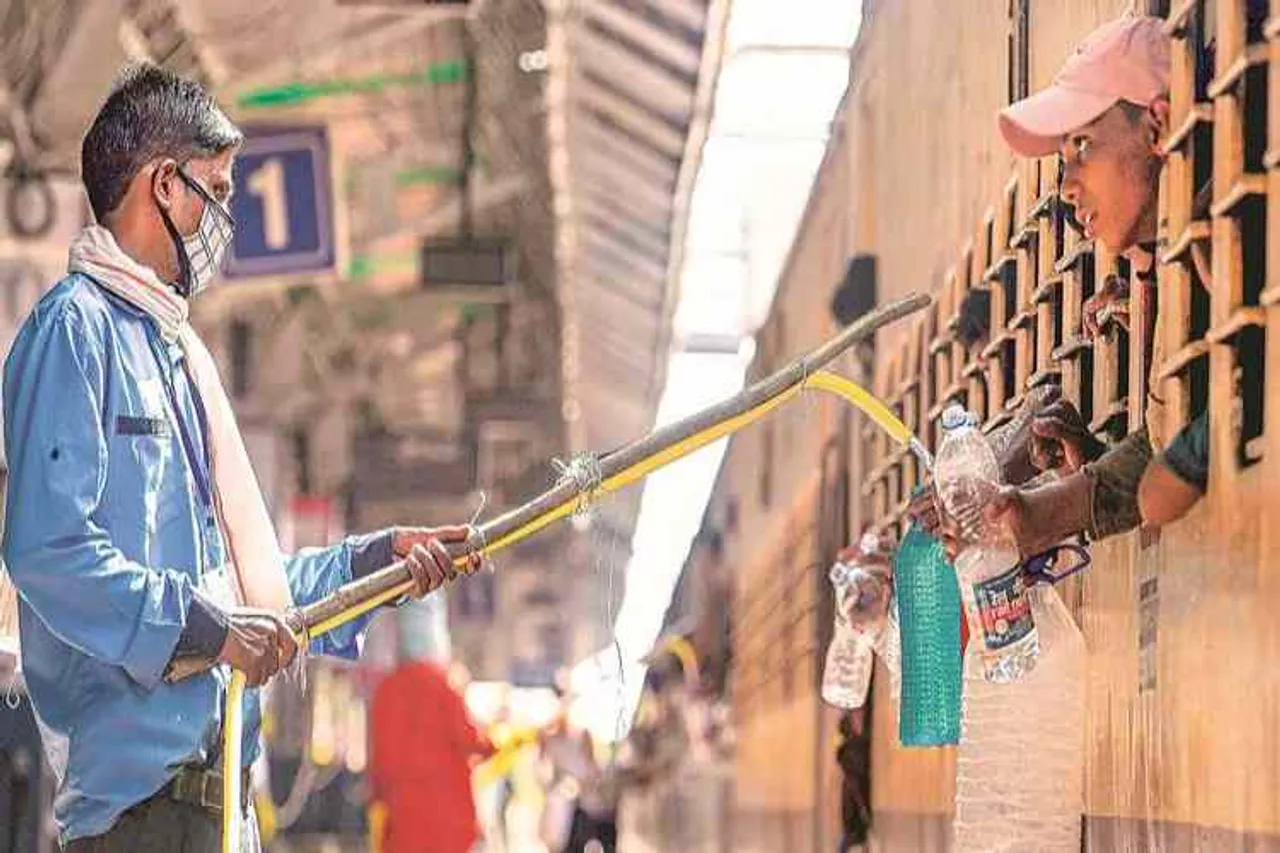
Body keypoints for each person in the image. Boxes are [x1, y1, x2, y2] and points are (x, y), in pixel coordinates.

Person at [2, 64, 482, 852]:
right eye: (215, 190)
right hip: (138, 818)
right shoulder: (75, 332)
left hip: (221, 802)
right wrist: (206, 630)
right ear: (162, 184)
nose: (225, 216)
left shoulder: (179, 357)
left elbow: (247, 594)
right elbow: (48, 550)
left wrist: (378, 564)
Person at [369, 614, 495, 853]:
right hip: (449, 826)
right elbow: (473, 741)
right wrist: (495, 737)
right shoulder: (444, 684)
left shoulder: (385, 691)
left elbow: (380, 766)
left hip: (404, 828)